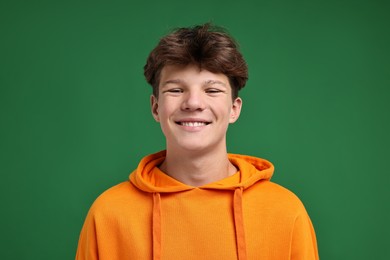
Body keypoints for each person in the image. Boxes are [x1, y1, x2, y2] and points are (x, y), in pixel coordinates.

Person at [76, 23, 319, 260]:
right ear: (155, 107)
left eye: (212, 91)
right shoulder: (108, 214)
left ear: (234, 109)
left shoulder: (286, 212)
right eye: (176, 90)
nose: (193, 103)